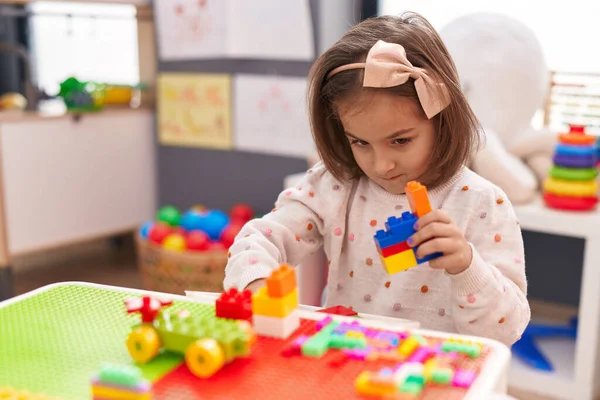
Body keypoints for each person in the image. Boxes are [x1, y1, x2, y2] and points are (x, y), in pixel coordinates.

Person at [223, 12, 529, 345]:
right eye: (360, 142)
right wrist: (256, 285)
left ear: (440, 120)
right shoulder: (335, 185)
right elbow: (261, 239)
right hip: (347, 364)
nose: (382, 165)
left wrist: (467, 267)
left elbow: (506, 330)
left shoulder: (482, 201)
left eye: (400, 140)